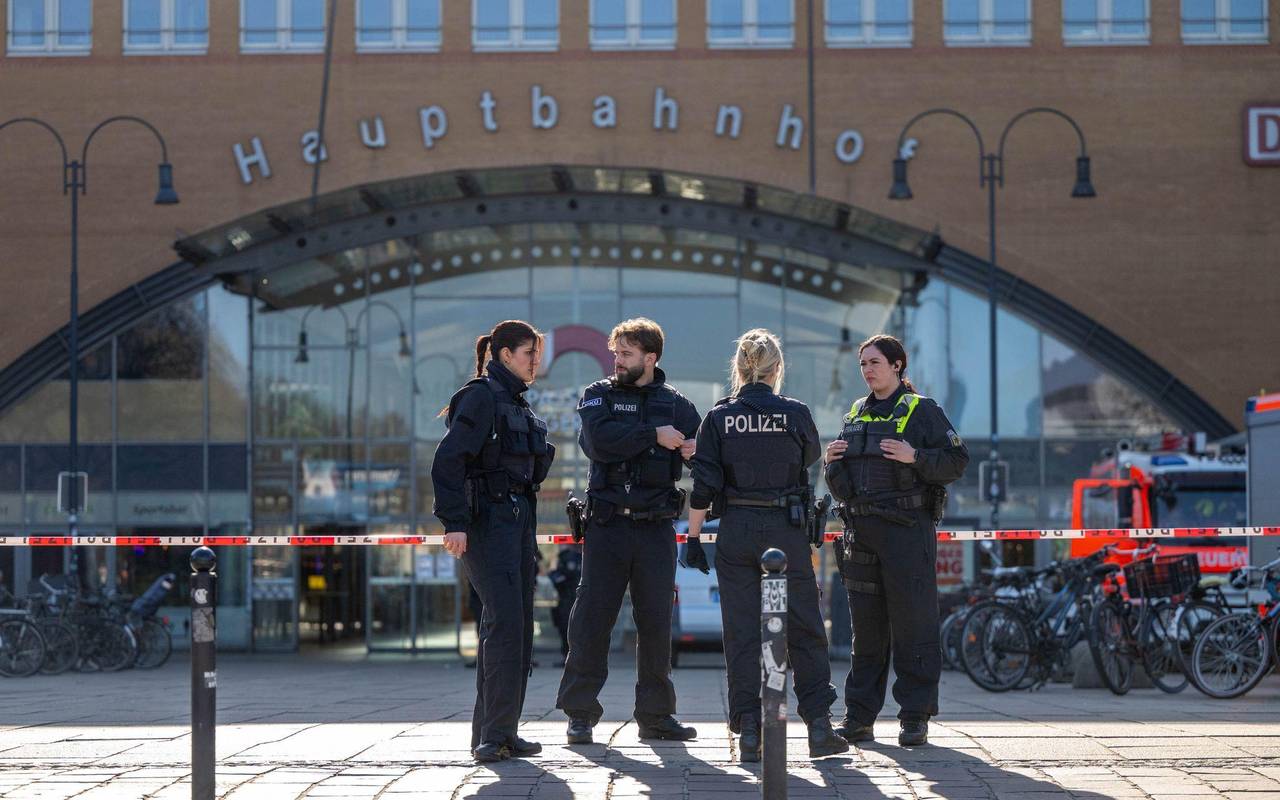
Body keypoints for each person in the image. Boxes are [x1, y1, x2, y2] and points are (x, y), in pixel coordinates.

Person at [684, 329, 849, 763]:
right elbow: (809, 460)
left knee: (741, 633)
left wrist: (694, 538)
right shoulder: (796, 414)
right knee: (805, 629)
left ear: (738, 369)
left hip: (736, 529)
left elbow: (703, 486)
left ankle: (750, 731)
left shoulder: (719, 418)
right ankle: (818, 727)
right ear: (777, 369)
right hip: (785, 530)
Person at [556, 318, 702, 744]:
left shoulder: (677, 405)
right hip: (607, 525)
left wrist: (694, 451)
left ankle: (656, 717)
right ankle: (580, 714)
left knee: (656, 624)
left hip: (656, 528)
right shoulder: (597, 396)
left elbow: (704, 459)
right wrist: (654, 435)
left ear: (650, 358)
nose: (616, 361)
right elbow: (599, 443)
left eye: (626, 354)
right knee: (592, 621)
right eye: (615, 353)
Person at [824, 334, 968, 748]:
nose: (867, 369)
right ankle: (858, 719)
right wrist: (833, 463)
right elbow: (842, 485)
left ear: (897, 366)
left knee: (913, 626)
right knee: (866, 632)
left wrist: (915, 458)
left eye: (874, 362)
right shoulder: (854, 414)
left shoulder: (922, 411)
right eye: (863, 363)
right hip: (862, 533)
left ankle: (914, 718)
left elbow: (957, 461)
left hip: (907, 531)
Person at [432, 320, 555, 763]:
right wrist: (454, 522)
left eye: (536, 353)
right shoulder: (481, 396)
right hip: (487, 525)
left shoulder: (518, 403)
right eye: (528, 353)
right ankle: (494, 735)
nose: (535, 361)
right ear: (504, 355)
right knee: (504, 626)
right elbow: (448, 460)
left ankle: (499, 731)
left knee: (516, 629)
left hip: (518, 525)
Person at [548, 547, 582, 666]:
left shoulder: (582, 557)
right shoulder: (564, 557)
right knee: (565, 628)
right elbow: (554, 576)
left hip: (574, 599)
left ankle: (574, 657)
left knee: (574, 629)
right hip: (567, 599)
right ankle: (568, 657)